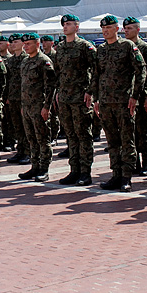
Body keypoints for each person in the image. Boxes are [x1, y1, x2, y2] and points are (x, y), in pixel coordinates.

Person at [93, 15, 145, 192]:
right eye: (103, 28)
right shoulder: (101, 50)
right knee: (112, 141)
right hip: (106, 102)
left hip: (124, 102)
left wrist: (135, 96)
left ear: (117, 29)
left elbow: (141, 71)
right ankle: (115, 174)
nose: (105, 31)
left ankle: (126, 176)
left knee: (127, 140)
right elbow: (96, 75)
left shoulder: (128, 46)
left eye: (109, 28)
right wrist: (96, 98)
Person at [53, 14, 97, 186]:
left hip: (81, 98)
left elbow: (96, 71)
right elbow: (58, 72)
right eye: (64, 24)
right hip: (65, 97)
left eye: (69, 24)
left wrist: (91, 92)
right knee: (70, 136)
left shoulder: (85, 47)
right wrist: (58, 92)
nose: (65, 26)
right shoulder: (61, 47)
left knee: (83, 135)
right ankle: (74, 170)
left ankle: (85, 172)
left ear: (77, 27)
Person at [17, 32, 53, 182]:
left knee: (42, 138)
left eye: (29, 44)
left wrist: (47, 107)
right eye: (24, 44)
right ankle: (35, 166)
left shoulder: (43, 61)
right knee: (31, 138)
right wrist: (22, 105)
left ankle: (44, 169)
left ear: (37, 44)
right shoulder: (25, 62)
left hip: (39, 106)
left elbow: (50, 87)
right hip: (27, 106)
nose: (25, 47)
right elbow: (23, 86)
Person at [123, 16, 147, 176]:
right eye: (125, 28)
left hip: (142, 96)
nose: (126, 31)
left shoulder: (145, 48)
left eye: (129, 28)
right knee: (130, 131)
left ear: (138, 30)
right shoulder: (123, 47)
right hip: (127, 96)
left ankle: (146, 163)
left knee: (142, 131)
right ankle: (134, 162)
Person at [4, 33, 30, 165]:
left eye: (16, 42)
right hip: (13, 97)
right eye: (12, 42)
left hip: (24, 98)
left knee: (26, 127)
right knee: (16, 126)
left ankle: (28, 152)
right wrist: (7, 96)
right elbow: (8, 80)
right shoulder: (11, 60)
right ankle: (20, 150)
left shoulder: (27, 59)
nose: (13, 44)